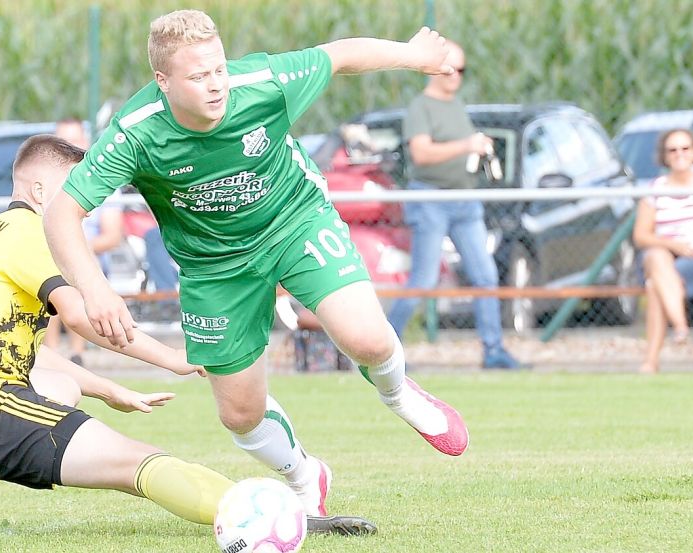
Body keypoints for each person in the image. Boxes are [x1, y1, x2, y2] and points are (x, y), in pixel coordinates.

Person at [43, 9, 469, 523]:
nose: (216, 84)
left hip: (294, 221)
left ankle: (400, 396)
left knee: (369, 340)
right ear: (162, 81)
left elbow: (338, 57)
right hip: (214, 267)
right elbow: (63, 212)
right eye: (198, 76)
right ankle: (305, 477)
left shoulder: (261, 82)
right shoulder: (136, 133)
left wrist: (413, 55)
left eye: (218, 68)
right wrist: (97, 290)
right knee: (241, 415)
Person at [0, 134, 236, 532]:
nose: (86, 206)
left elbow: (24, 352)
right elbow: (83, 316)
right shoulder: (31, 232)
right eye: (75, 189)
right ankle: (253, 511)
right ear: (39, 191)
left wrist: (111, 390)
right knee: (134, 461)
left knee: (61, 387)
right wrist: (176, 359)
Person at [385, 40, 524, 370]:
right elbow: (421, 153)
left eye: (462, 70)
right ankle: (386, 351)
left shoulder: (457, 105)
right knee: (423, 279)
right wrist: (465, 145)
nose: (456, 76)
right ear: (434, 69)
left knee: (485, 276)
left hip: (465, 199)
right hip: (431, 199)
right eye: (450, 68)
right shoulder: (421, 107)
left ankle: (493, 351)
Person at [632, 129, 693, 374]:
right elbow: (641, 235)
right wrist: (673, 245)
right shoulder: (655, 189)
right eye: (673, 150)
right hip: (665, 255)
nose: (679, 154)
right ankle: (680, 324)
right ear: (665, 156)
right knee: (656, 256)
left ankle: (651, 361)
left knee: (654, 285)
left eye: (684, 149)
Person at [44, 119, 125, 365]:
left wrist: (74, 248)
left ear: (87, 142)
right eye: (62, 140)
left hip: (90, 258)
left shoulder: (104, 181)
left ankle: (77, 355)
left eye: (75, 139)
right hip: (52, 256)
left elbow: (112, 236)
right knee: (48, 274)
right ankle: (52, 355)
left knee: (74, 270)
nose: (69, 145)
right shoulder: (45, 185)